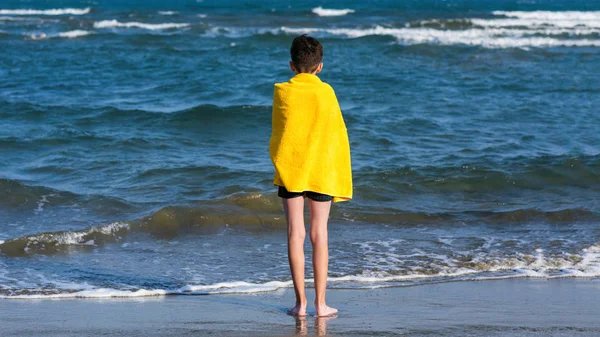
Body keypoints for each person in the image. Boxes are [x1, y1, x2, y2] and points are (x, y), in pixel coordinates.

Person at [269, 34, 353, 317]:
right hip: (320, 171)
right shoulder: (326, 92)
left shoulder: (282, 91)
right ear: (320, 67)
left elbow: (282, 135)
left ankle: (300, 305)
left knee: (295, 233)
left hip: (291, 171)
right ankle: (321, 304)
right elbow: (336, 135)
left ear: (292, 65)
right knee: (320, 234)